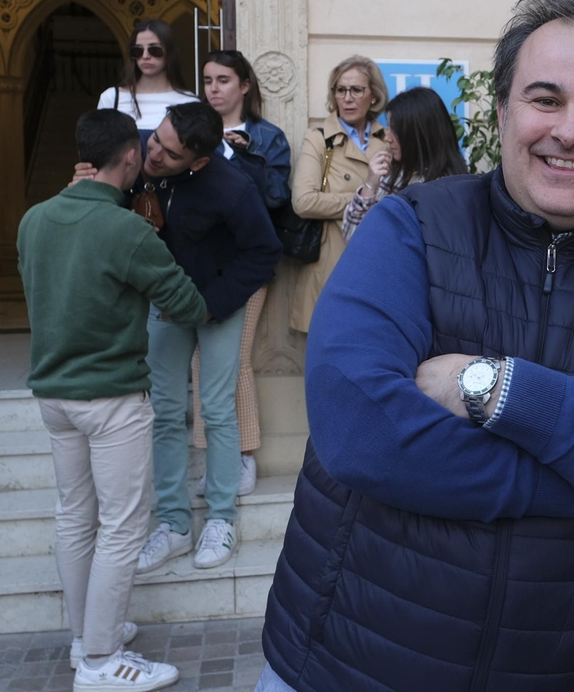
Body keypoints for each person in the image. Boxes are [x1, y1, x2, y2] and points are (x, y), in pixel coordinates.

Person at [256, 0, 574, 692]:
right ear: (504, 109)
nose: (570, 129)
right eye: (546, 99)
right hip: (349, 663)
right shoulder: (409, 227)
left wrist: (493, 386)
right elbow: (361, 426)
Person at [19, 109, 206, 692]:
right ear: (128, 157)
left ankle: (86, 639)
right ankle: (100, 662)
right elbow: (189, 304)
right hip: (113, 396)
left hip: (53, 395)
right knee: (122, 527)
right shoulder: (126, 229)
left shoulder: (34, 220)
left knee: (75, 518)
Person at [72, 102, 281, 574]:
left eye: (168, 152)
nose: (153, 154)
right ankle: (174, 524)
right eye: (154, 141)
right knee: (164, 410)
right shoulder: (138, 153)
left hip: (215, 303)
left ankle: (222, 518)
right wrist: (88, 182)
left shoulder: (232, 188)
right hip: (164, 302)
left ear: (199, 160)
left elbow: (264, 251)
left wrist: (213, 304)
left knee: (216, 406)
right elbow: (112, 207)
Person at [190, 50, 293, 497]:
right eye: (208, 80)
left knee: (233, 359)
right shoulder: (194, 135)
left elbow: (276, 200)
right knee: (200, 363)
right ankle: (213, 458)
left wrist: (240, 157)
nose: (214, 88)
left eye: (224, 80)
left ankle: (244, 455)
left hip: (248, 264)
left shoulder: (268, 137)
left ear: (245, 86)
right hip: (199, 264)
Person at [288, 55, 390, 333]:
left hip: (379, 258)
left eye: (356, 90)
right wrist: (363, 198)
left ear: (374, 95)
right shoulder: (319, 138)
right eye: (340, 90)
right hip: (330, 259)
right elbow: (303, 201)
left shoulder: (388, 139)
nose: (347, 98)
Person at [341, 85, 466, 240]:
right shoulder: (395, 173)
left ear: (417, 134)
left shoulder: (448, 189)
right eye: (388, 128)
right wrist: (370, 185)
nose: (387, 138)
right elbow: (351, 236)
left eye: (395, 130)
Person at [98, 18, 198, 137]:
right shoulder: (111, 98)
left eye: (154, 50)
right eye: (137, 51)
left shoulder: (190, 103)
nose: (145, 56)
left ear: (169, 52)